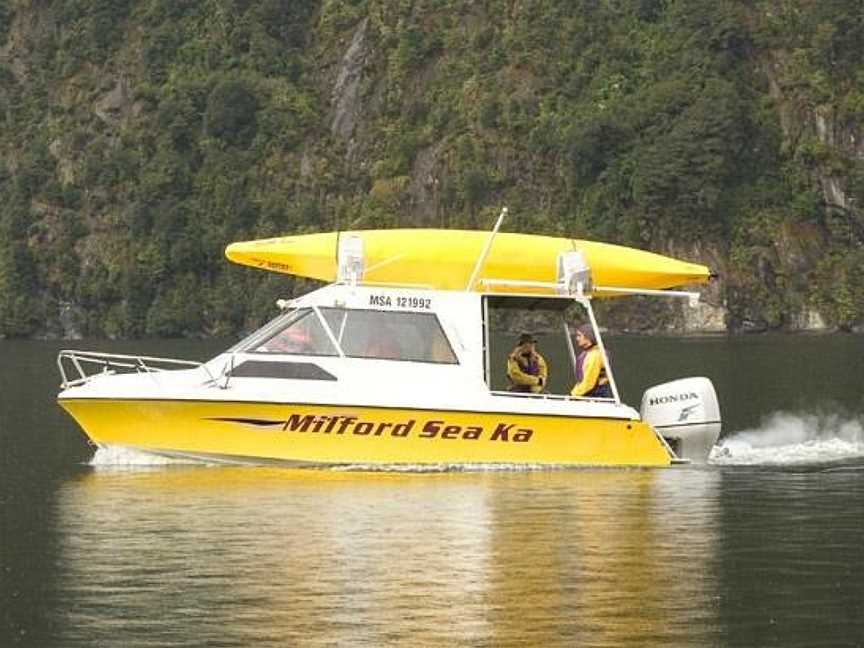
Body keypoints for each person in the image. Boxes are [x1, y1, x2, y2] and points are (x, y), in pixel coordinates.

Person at [570, 324, 612, 398]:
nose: (577, 338)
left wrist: (573, 395)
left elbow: (589, 382)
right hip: (589, 393)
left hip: (596, 396)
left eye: (579, 336)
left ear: (588, 337)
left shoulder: (595, 356)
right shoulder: (589, 353)